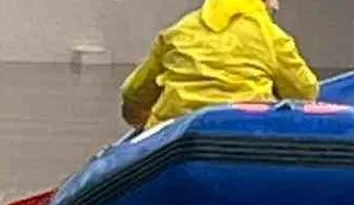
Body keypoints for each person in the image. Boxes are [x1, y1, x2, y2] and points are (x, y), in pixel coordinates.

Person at [120, 0, 319, 131]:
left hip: (173, 133)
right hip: (243, 130)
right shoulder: (273, 37)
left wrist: (141, 121)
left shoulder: (178, 31)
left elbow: (133, 92)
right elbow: (304, 93)